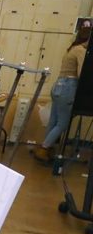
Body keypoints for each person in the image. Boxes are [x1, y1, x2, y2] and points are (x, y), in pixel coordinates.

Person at [34, 26, 89, 162]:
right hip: (68, 88)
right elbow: (82, 73)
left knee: (53, 121)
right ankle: (44, 148)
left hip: (58, 86)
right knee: (62, 124)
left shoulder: (71, 49)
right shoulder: (81, 50)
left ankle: (45, 147)